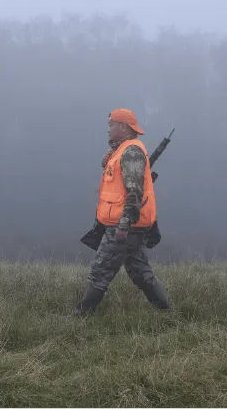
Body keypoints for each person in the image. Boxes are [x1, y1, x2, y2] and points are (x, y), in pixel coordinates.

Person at [71, 108, 172, 316]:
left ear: (123, 127)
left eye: (111, 124)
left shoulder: (131, 152)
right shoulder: (124, 150)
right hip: (129, 225)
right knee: (140, 272)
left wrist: (124, 224)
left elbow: (133, 192)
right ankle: (166, 312)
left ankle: (80, 317)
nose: (108, 129)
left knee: (100, 271)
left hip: (123, 226)